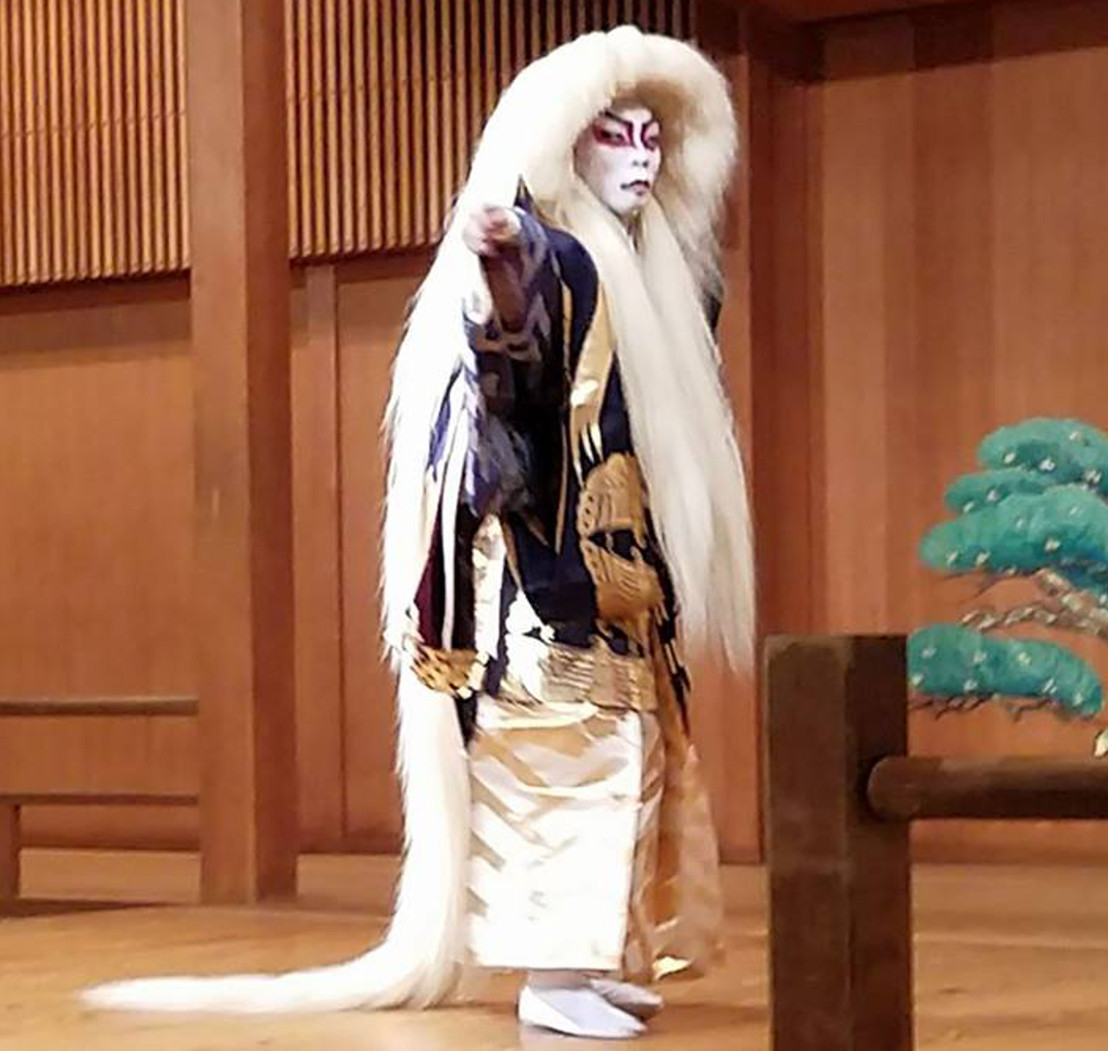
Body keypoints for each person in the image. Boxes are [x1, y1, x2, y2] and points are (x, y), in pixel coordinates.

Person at [83, 26, 754, 1040]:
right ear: (567, 146)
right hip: (540, 576)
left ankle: (593, 956)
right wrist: (507, 278)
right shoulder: (553, 255)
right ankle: (553, 973)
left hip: (614, 574)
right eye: (615, 136)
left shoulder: (644, 269)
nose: (642, 158)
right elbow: (510, 364)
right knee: (568, 758)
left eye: (654, 138)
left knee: (634, 753)